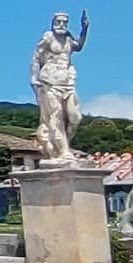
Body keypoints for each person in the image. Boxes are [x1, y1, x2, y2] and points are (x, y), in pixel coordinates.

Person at [30, 10, 90, 163]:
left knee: (75, 117)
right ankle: (62, 151)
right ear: (53, 22)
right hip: (50, 80)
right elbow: (36, 58)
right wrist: (33, 78)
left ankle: (64, 146)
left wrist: (84, 29)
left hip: (67, 81)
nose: (61, 25)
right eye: (58, 22)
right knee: (55, 115)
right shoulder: (48, 37)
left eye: (64, 22)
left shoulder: (68, 38)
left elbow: (78, 47)